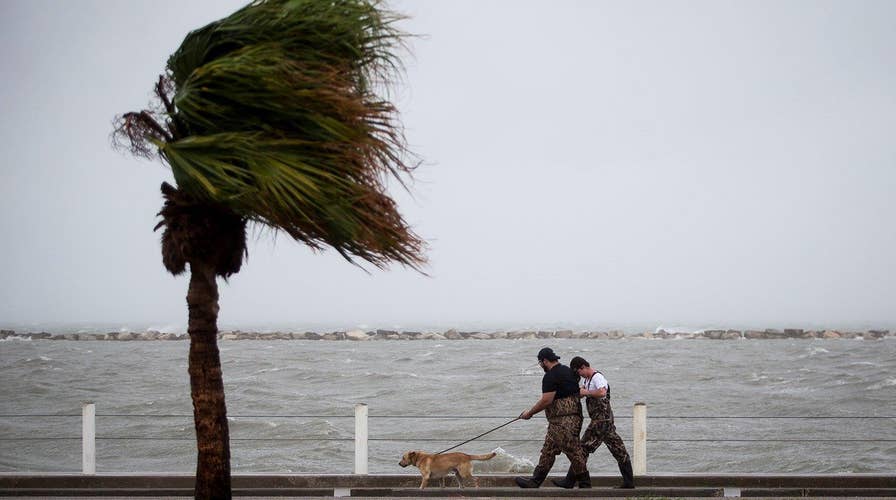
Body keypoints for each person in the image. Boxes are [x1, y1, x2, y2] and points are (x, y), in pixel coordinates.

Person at [514, 347, 590, 488]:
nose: (541, 366)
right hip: (571, 418)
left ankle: (585, 484)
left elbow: (546, 400)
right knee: (548, 450)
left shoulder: (550, 376)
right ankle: (535, 481)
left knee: (573, 451)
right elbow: (576, 392)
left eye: (540, 363)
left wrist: (529, 413)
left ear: (545, 361)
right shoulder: (568, 371)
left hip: (563, 421)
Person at [565, 355, 635, 489]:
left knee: (582, 449)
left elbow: (602, 392)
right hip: (603, 422)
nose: (579, 375)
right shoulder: (588, 380)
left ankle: (570, 481)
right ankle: (629, 482)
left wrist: (586, 393)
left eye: (578, 372)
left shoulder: (597, 377)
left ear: (583, 367)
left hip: (601, 422)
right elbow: (585, 392)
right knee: (618, 449)